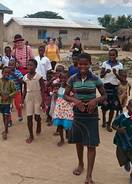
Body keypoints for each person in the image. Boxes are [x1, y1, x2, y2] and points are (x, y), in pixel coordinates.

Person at [65, 53, 107, 184]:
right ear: (77, 64)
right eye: (80, 64)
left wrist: (95, 100)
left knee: (91, 144)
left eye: (85, 64)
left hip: (91, 114)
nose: (83, 66)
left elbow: (104, 95)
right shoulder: (72, 79)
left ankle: (89, 175)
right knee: (79, 141)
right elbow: (65, 95)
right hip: (78, 113)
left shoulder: (95, 78)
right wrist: (75, 100)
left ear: (90, 64)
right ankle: (80, 164)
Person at [22, 59, 45, 144]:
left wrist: (43, 101)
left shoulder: (39, 77)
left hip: (37, 96)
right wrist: (22, 100)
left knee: (36, 116)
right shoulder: (25, 77)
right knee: (29, 117)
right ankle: (31, 135)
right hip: (29, 97)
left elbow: (43, 88)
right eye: (28, 65)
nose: (29, 67)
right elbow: (24, 90)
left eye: (31, 65)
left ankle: (39, 123)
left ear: (35, 67)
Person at [100, 49, 123, 132]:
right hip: (105, 87)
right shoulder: (105, 63)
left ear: (116, 55)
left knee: (112, 107)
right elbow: (101, 76)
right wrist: (106, 71)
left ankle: (109, 124)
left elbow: (122, 78)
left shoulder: (119, 65)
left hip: (114, 88)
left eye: (113, 55)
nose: (111, 57)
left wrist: (115, 73)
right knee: (104, 106)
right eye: (110, 55)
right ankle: (103, 120)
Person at [53, 70, 73, 147]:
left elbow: (73, 96)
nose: (63, 80)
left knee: (67, 123)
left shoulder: (71, 87)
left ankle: (68, 134)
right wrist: (55, 93)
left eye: (65, 78)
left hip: (68, 108)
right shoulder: (59, 86)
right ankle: (62, 139)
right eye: (61, 78)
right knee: (60, 124)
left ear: (69, 78)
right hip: (60, 108)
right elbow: (57, 97)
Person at [0, 66, 16, 140]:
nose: (7, 74)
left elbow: (15, 91)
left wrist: (8, 96)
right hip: (1, 102)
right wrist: (0, 93)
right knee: (3, 115)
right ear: (2, 73)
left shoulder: (11, 82)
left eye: (8, 73)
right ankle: (6, 127)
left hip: (8, 102)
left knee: (7, 115)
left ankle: (6, 129)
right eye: (5, 72)